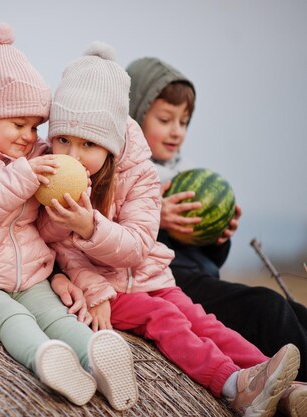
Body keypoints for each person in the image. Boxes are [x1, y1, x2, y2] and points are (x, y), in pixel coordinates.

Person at [39, 42, 301, 417]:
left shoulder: (141, 175)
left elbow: (136, 246)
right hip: (108, 291)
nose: (73, 155)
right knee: (165, 319)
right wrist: (83, 256)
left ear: (112, 142)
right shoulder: (51, 174)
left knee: (201, 319)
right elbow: (55, 250)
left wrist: (89, 226)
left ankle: (276, 381)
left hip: (149, 276)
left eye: (88, 144)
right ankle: (232, 385)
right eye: (62, 139)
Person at [0, 22, 137, 410]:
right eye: (18, 125)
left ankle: (97, 356)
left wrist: (68, 207)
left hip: (30, 278)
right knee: (12, 318)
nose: (30, 135)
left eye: (34, 125)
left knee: (58, 317)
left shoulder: (32, 158)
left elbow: (44, 228)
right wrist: (21, 176)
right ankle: (46, 360)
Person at [126, 57, 307, 415]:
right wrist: (155, 215)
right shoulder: (124, 174)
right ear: (133, 115)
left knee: (295, 311)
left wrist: (216, 238)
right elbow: (116, 237)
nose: (177, 131)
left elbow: (197, 254)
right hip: (167, 282)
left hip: (196, 276)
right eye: (165, 120)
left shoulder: (178, 176)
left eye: (184, 122)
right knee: (265, 308)